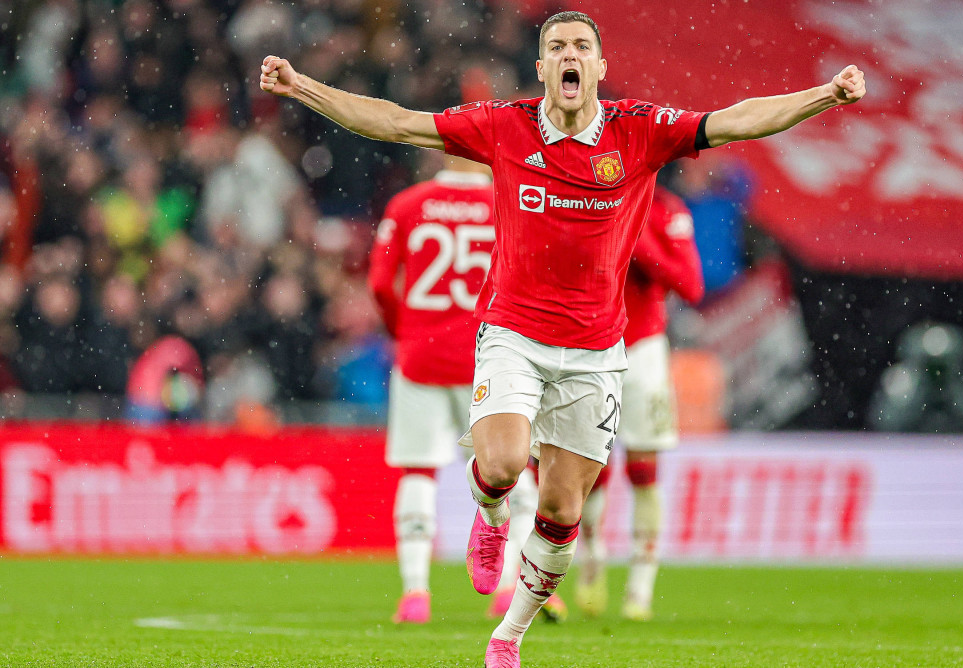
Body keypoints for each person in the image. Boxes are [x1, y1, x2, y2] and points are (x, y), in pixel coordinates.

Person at [261, 11, 866, 665]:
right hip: (513, 335)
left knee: (561, 508)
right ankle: (490, 519)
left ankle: (508, 636)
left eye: (582, 46)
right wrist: (305, 88)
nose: (569, 55)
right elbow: (399, 122)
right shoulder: (505, 126)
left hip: (598, 353)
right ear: (544, 67)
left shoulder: (640, 130)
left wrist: (824, 96)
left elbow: (736, 119)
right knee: (497, 465)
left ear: (599, 68)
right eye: (556, 47)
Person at [366, 154, 543, 623]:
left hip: (421, 357)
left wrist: (403, 330)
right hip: (491, 358)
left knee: (418, 472)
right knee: (513, 471)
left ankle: (415, 594)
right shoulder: (512, 203)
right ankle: (510, 590)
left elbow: (381, 284)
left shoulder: (408, 205)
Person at [573, 184, 703, 621]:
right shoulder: (579, 194)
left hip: (643, 348)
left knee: (644, 470)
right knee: (590, 468)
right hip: (587, 347)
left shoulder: (667, 209)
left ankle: (640, 590)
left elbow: (691, 284)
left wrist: (636, 238)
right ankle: (592, 557)